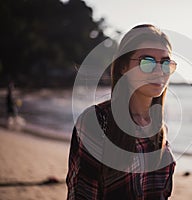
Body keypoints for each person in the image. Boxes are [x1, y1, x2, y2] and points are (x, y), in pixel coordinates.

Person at [66, 24, 177, 200]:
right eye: (147, 62)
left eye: (165, 63)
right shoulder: (96, 121)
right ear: (123, 67)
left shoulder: (159, 130)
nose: (158, 71)